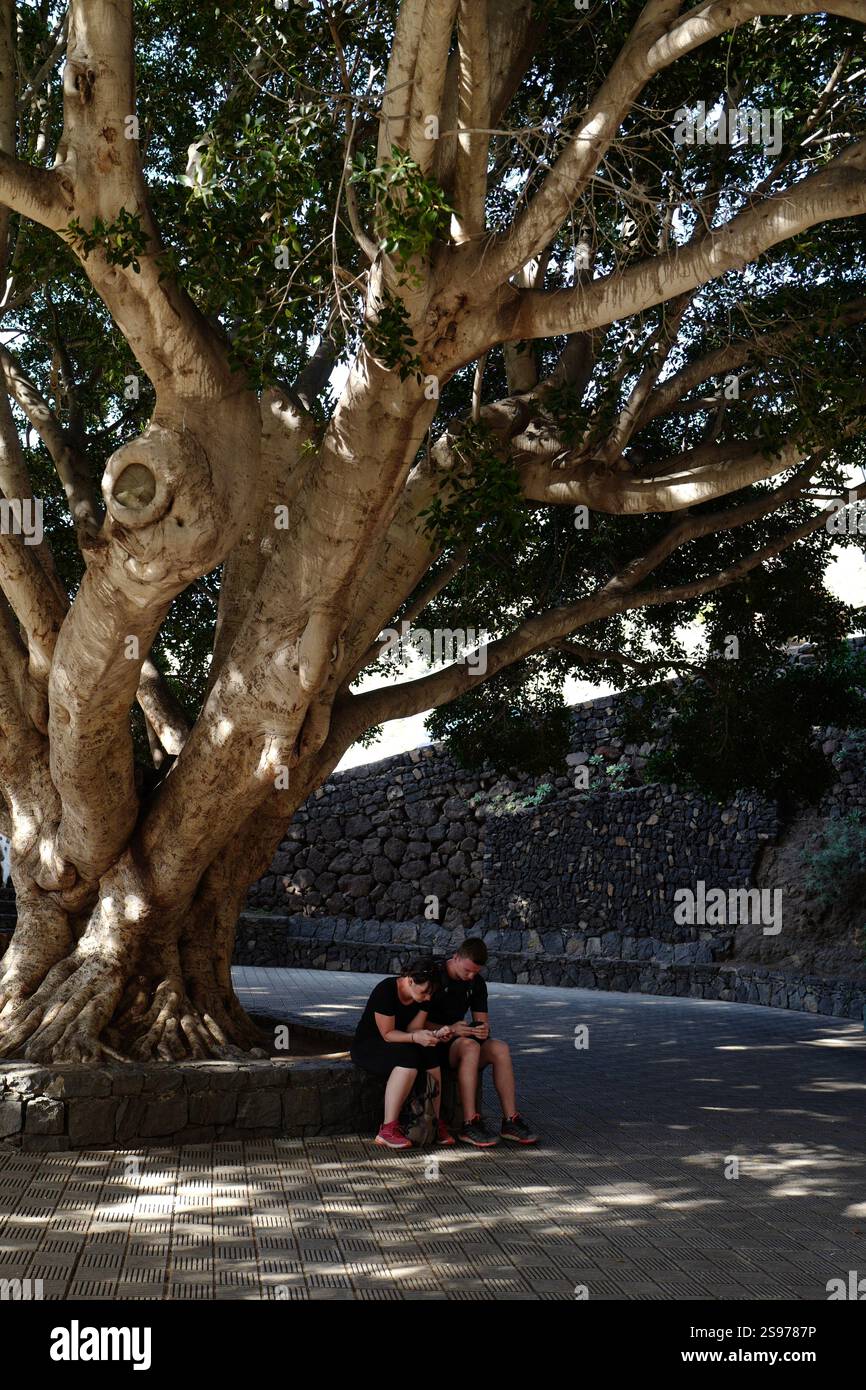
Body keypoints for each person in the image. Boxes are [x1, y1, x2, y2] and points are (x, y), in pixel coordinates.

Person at [427, 938, 538, 1148]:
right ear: (455, 958)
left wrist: (481, 1029)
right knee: (470, 1046)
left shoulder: (476, 983)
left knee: (500, 1048)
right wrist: (450, 1029)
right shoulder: (434, 976)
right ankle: (470, 1123)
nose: (471, 976)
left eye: (475, 972)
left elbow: (482, 1022)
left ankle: (510, 1119)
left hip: (459, 1039)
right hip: (433, 1041)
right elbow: (415, 1022)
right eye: (467, 970)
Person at [350, 960, 456, 1149]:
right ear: (409, 980)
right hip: (371, 1046)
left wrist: (434, 1035)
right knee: (408, 1059)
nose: (427, 998)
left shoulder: (425, 997)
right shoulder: (386, 990)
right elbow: (388, 1034)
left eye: (430, 994)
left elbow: (414, 1028)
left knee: (431, 1054)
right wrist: (416, 1038)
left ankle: (434, 1121)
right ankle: (387, 1129)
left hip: (401, 1042)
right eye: (424, 992)